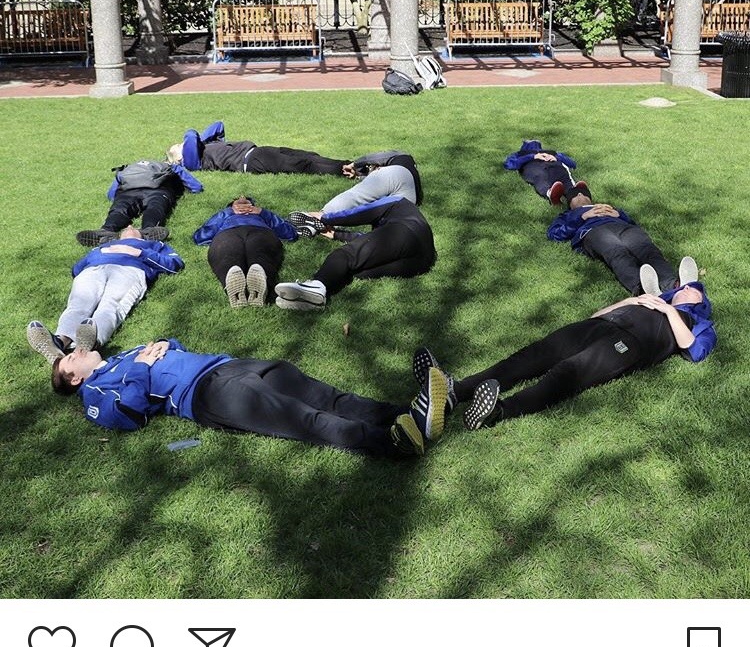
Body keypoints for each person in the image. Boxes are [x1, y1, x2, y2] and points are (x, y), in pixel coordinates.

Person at [50, 339, 451, 458]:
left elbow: (170, 348)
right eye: (71, 358)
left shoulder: (118, 357)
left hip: (229, 365)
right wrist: (140, 366)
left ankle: (411, 413)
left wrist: (164, 344)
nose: (78, 351)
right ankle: (393, 444)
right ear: (73, 379)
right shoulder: (95, 394)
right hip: (207, 394)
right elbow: (127, 415)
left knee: (326, 396)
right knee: (301, 418)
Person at [412, 280, 716, 431]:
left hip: (629, 344)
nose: (685, 289)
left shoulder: (698, 322)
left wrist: (669, 311)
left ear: (700, 301)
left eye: (693, 290)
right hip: (600, 325)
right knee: (533, 355)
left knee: (569, 372)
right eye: (682, 287)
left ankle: (498, 412)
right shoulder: (653, 300)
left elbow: (695, 351)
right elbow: (596, 314)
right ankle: (456, 391)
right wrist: (629, 301)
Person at [26, 227, 185, 362]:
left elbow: (175, 264)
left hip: (129, 270)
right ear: (118, 236)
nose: (130, 226)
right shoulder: (102, 246)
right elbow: (77, 268)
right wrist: (99, 256)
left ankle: (89, 344)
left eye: (135, 227)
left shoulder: (154, 245)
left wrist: (138, 253)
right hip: (93, 270)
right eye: (127, 227)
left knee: (110, 306)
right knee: (78, 305)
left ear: (143, 236)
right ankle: (60, 342)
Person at [274, 196, 436, 311]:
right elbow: (371, 240)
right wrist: (337, 234)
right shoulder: (403, 217)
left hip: (405, 232)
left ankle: (317, 285)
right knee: (357, 271)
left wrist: (325, 218)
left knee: (346, 255)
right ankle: (311, 300)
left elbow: (360, 213)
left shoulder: (397, 200)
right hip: (423, 259)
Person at [547, 192, 696, 295]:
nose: (580, 195)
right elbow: (554, 234)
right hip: (593, 231)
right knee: (617, 252)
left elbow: (632, 222)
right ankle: (643, 289)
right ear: (570, 204)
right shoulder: (568, 215)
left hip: (622, 227)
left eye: (584, 193)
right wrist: (583, 217)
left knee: (647, 249)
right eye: (575, 195)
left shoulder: (606, 206)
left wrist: (619, 215)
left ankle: (673, 285)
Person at [192, 195, 299, 307]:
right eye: (238, 199)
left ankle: (262, 285)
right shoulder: (226, 214)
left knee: (260, 253)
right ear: (231, 205)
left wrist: (262, 212)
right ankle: (234, 288)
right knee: (228, 253)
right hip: (228, 233)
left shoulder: (261, 214)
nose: (242, 197)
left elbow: (290, 233)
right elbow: (200, 236)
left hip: (261, 231)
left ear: (252, 205)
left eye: (246, 199)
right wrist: (228, 212)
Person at [76, 160, 203, 247]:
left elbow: (111, 194)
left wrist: (117, 197)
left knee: (120, 209)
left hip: (128, 191)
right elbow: (196, 187)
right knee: (155, 207)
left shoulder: (128, 168)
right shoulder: (168, 165)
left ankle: (106, 230)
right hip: (157, 190)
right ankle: (148, 230)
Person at [167, 121, 348, 176]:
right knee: (302, 164)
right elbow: (191, 134)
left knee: (307, 155)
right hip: (252, 161)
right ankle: (344, 170)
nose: (182, 144)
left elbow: (218, 126)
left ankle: (348, 164)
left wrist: (203, 142)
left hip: (259, 151)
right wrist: (196, 142)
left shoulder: (202, 148)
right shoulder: (192, 162)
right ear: (181, 158)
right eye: (179, 146)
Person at [504, 139, 590, 205]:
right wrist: (533, 156)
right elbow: (509, 164)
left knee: (563, 173)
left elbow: (573, 164)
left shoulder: (552, 153)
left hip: (554, 165)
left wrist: (556, 157)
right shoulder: (520, 154)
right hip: (534, 166)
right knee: (540, 176)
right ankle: (551, 193)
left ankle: (575, 192)